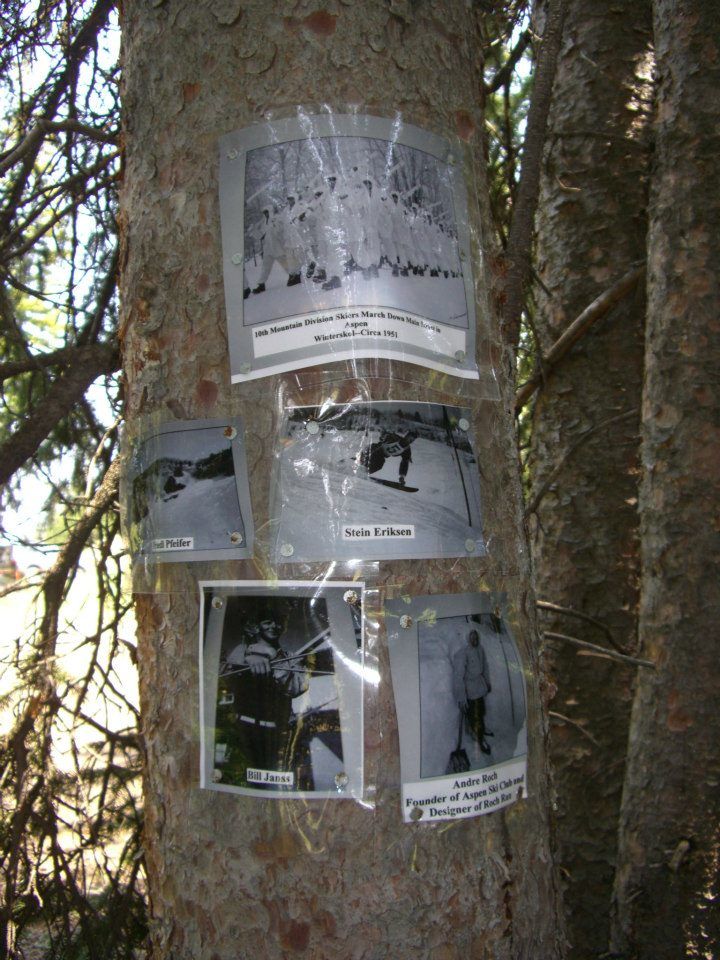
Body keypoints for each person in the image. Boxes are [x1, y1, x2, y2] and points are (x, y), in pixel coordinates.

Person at [217, 616, 310, 784]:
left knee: (273, 783)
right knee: (240, 781)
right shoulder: (241, 650)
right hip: (242, 731)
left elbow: (298, 687)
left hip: (277, 737)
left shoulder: (292, 657)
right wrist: (247, 659)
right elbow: (220, 677)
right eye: (267, 621)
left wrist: (273, 658)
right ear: (256, 627)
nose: (274, 625)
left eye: (277, 622)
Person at [452, 628, 491, 755]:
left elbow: (485, 666)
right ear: (468, 638)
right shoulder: (462, 653)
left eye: (476, 637)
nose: (475, 640)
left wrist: (487, 682)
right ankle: (480, 740)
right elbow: (458, 677)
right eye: (472, 637)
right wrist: (461, 697)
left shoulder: (480, 649)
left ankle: (479, 729)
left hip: (480, 687)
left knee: (482, 712)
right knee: (476, 715)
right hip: (470, 690)